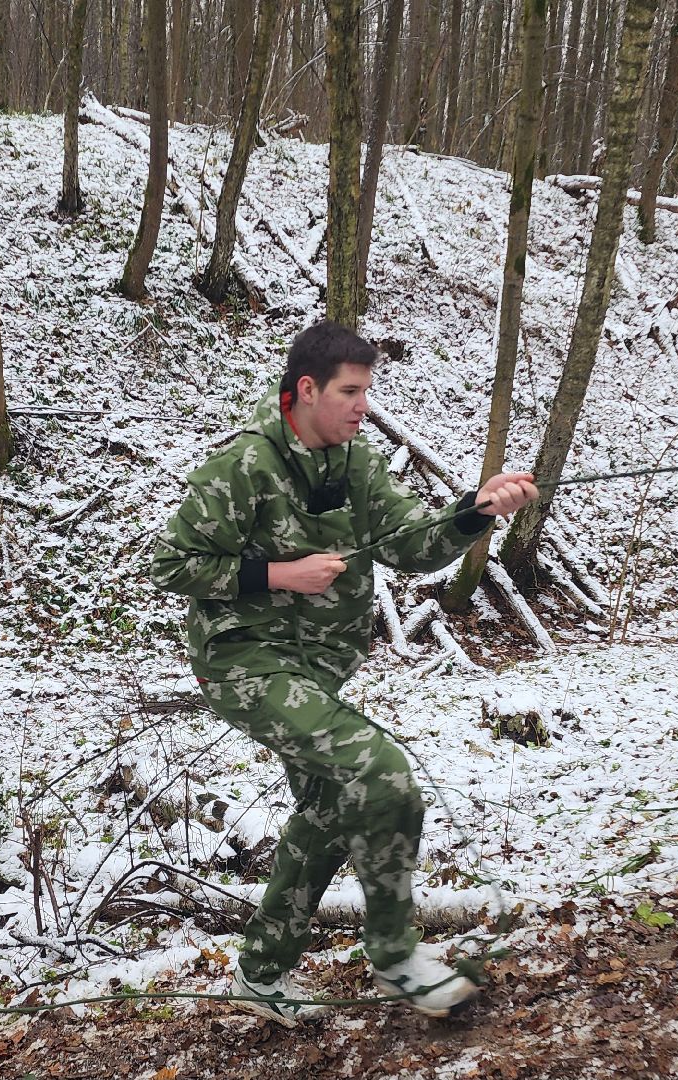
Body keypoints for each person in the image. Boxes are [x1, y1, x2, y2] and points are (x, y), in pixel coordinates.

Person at [150, 320, 540, 1024]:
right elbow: (170, 565)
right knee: (380, 773)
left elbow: (417, 547)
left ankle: (263, 974)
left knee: (331, 809)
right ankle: (395, 955)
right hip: (244, 662)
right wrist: (278, 573)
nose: (364, 407)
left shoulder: (355, 466)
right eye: (351, 392)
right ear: (306, 390)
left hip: (318, 671)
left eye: (367, 392)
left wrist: (475, 512)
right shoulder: (242, 466)